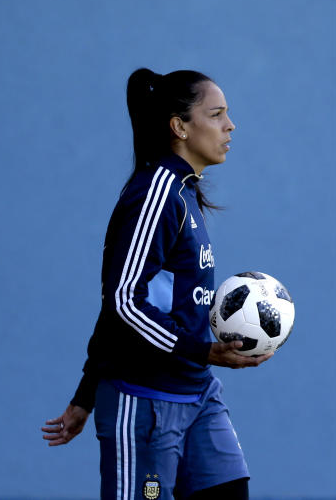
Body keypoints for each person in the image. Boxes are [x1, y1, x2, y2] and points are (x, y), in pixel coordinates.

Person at [42, 68, 270, 500]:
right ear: (179, 126)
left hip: (196, 390)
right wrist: (200, 350)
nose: (230, 125)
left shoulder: (185, 194)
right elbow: (124, 301)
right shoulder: (157, 194)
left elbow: (129, 299)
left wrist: (85, 391)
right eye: (217, 114)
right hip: (145, 398)